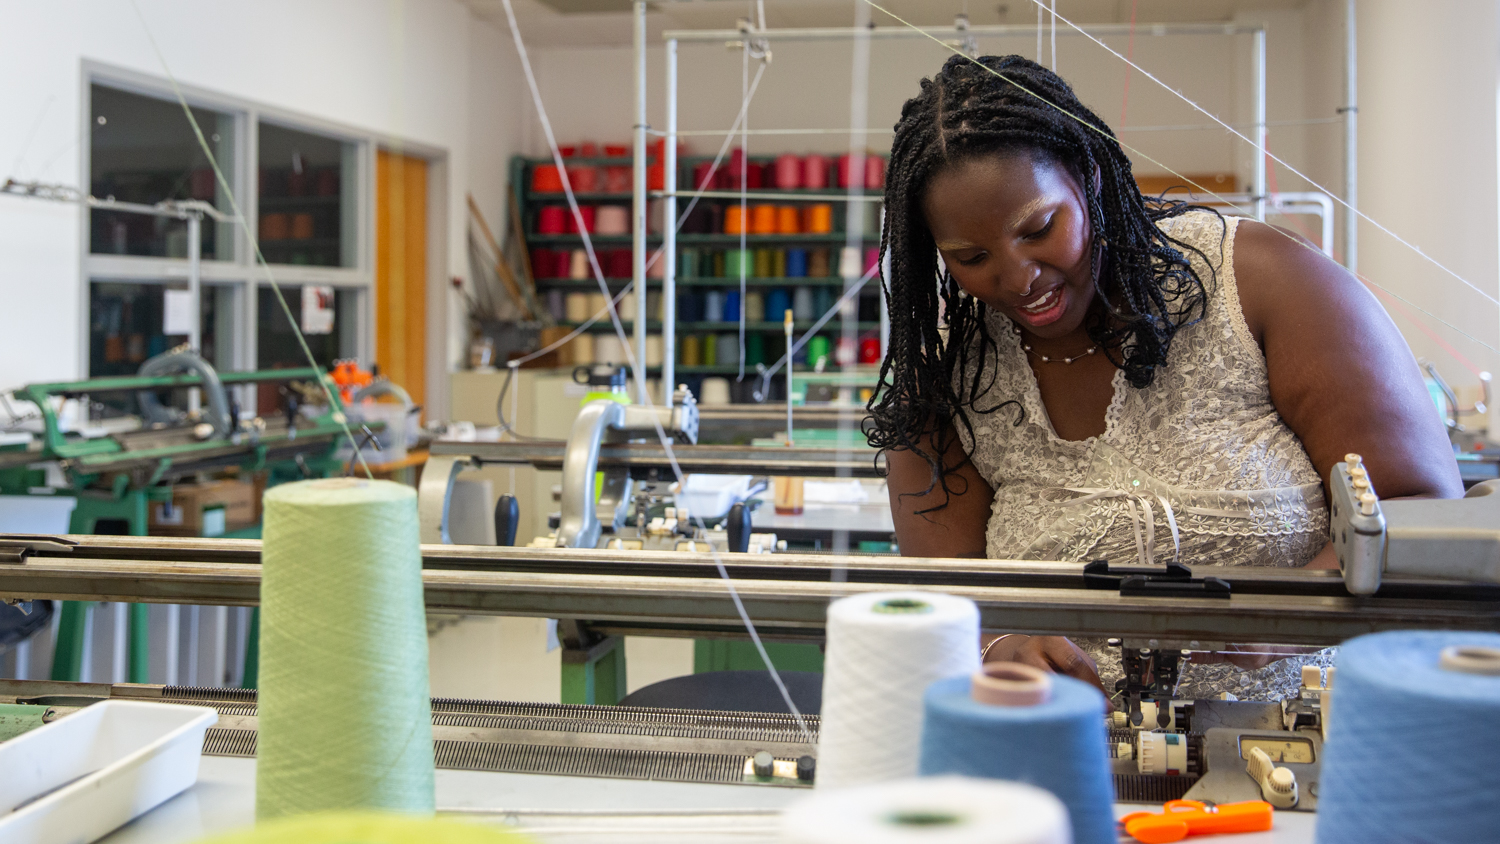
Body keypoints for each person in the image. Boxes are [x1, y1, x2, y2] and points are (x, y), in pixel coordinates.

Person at [867, 54, 1462, 701]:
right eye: (973, 258)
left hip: (1321, 741)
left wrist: (1293, 616)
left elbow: (1419, 508)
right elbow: (948, 598)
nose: (1018, 277)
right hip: (1073, 750)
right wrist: (999, 645)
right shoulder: (951, 377)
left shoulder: (1260, 283)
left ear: (1088, 178)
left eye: (1040, 228)